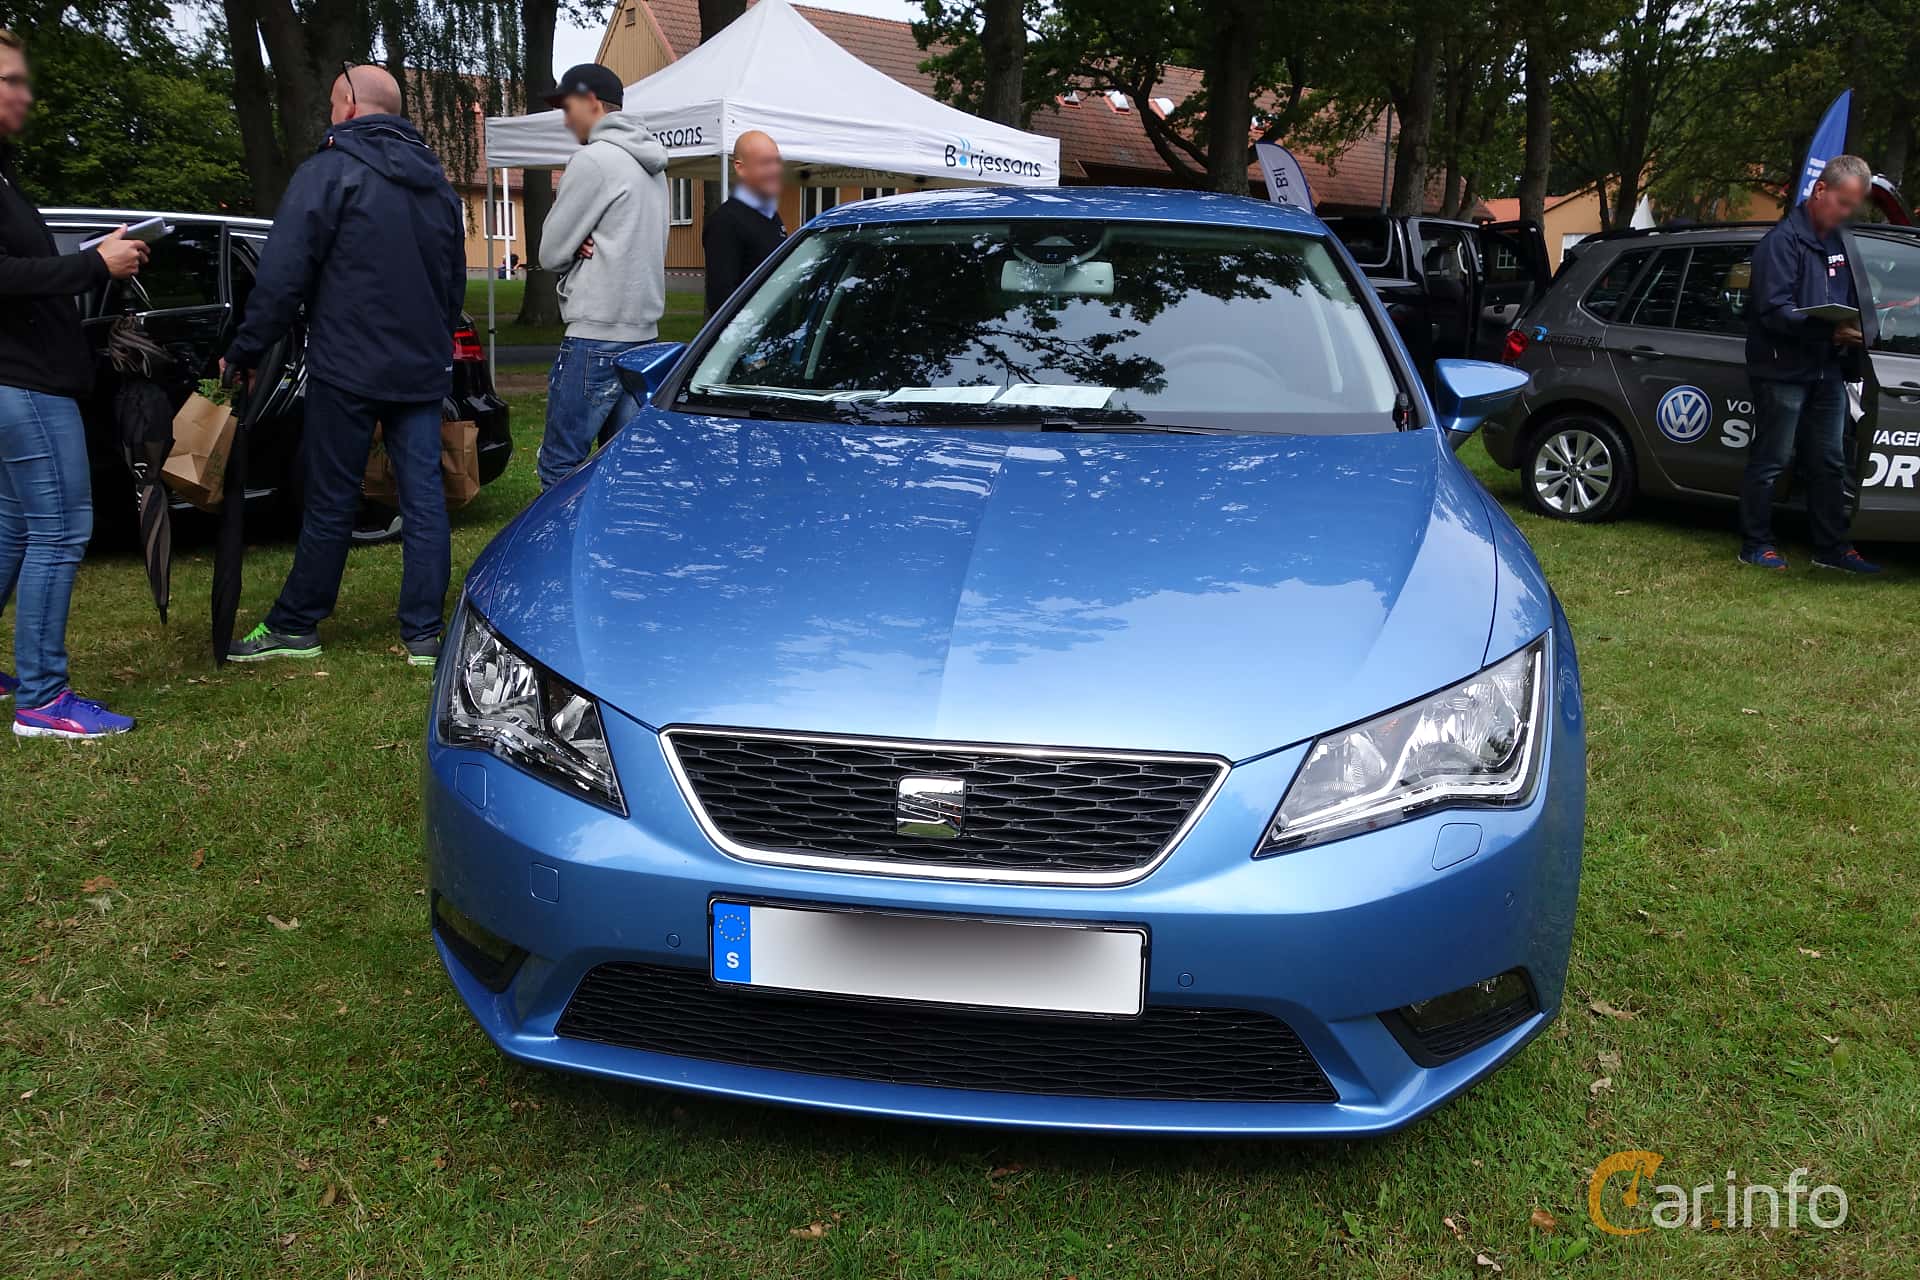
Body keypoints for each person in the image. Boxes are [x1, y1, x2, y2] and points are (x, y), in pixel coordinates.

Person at [221, 63, 467, 666]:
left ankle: (296, 624)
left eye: (334, 104)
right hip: (419, 368)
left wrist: (247, 349)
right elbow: (452, 284)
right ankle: (424, 633)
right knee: (424, 498)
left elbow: (282, 277)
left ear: (351, 107)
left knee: (332, 496)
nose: (332, 115)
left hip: (348, 365)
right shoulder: (438, 186)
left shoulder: (327, 172)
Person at [0, 27, 148, 738]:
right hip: (25, 385)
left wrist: (93, 255)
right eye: (10, 80)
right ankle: (42, 699)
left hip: (25, 382)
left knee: (12, 528)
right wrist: (94, 266)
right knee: (60, 531)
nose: (24, 93)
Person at [1740, 153, 1880, 574]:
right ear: (1820, 190)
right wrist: (1830, 332)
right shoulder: (1780, 243)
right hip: (1781, 370)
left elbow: (1848, 297)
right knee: (1772, 460)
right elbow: (1772, 310)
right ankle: (1756, 544)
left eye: (1854, 206)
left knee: (1830, 461)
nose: (1847, 212)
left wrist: (1858, 324)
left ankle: (1831, 548)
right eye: (1843, 202)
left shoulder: (1839, 242)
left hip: (1826, 370)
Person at [534, 63, 669, 489]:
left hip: (595, 334)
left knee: (560, 467)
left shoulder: (593, 160)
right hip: (643, 336)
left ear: (591, 102)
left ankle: (561, 536)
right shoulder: (654, 166)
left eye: (567, 107)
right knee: (624, 472)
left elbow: (549, 253)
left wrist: (575, 243)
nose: (565, 119)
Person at [703, 130, 786, 316]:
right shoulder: (725, 222)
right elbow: (721, 301)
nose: (775, 170)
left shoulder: (771, 215)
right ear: (740, 168)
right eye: (765, 163)